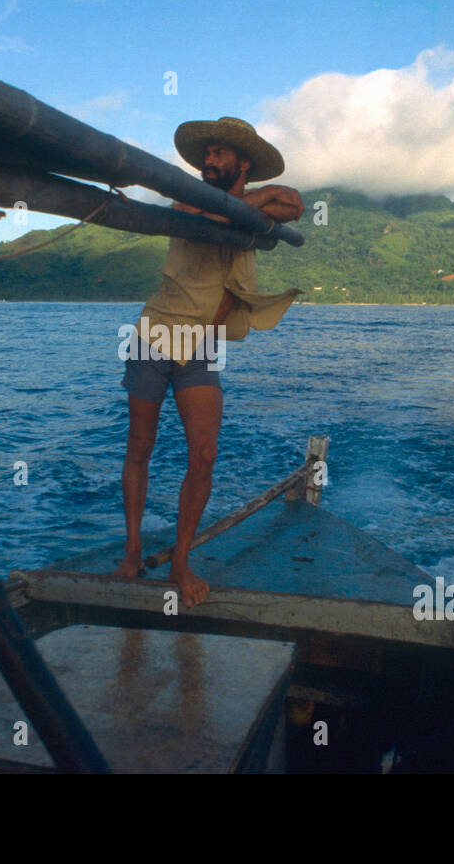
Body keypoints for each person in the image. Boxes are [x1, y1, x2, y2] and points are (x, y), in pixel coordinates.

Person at [115, 117, 304, 606]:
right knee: (140, 447)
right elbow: (213, 217)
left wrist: (251, 202)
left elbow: (296, 204)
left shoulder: (249, 198)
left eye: (220, 154)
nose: (209, 161)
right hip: (154, 334)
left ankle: (180, 560)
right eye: (208, 154)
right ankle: (133, 550)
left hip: (200, 344)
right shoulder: (188, 197)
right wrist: (253, 207)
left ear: (243, 163)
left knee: (204, 454)